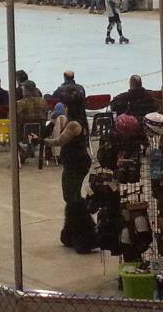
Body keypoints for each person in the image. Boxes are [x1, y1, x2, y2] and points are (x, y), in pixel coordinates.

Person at [42, 88, 94, 254]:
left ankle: (85, 232)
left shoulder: (73, 124)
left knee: (72, 198)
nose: (62, 108)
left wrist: (42, 141)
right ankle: (76, 230)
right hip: (77, 161)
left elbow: (59, 141)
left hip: (75, 163)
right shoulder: (81, 121)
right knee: (72, 197)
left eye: (64, 105)